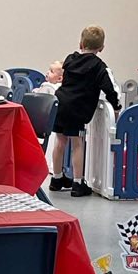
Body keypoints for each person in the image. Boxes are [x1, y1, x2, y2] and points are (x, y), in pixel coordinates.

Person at [49, 25, 119, 197]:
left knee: (60, 141)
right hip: (77, 108)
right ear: (101, 48)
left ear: (81, 43)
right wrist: (116, 107)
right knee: (77, 144)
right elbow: (109, 89)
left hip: (61, 103)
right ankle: (78, 183)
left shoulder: (70, 59)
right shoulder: (99, 66)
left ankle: (57, 179)